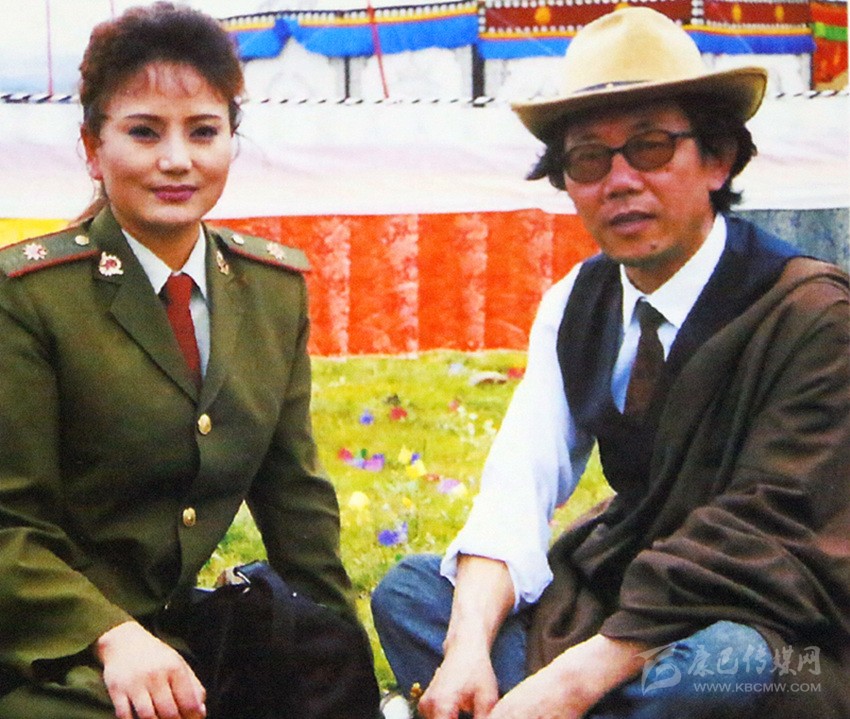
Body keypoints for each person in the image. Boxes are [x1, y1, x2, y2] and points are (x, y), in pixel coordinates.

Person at [372, 7, 850, 719]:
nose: (620, 181)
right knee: (414, 593)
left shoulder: (813, 314)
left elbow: (772, 533)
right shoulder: (578, 302)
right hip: (620, 598)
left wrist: (569, 684)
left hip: (768, 614)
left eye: (651, 148)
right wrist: (466, 648)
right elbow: (518, 485)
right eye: (590, 159)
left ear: (717, 160)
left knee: (724, 666)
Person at [0, 4, 377, 719]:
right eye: (144, 132)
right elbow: (9, 525)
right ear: (93, 148)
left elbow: (294, 498)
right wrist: (111, 635)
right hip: (50, 649)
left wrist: (338, 657)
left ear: (232, 139)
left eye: (204, 131)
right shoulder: (29, 297)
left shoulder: (270, 291)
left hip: (187, 641)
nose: (177, 159)